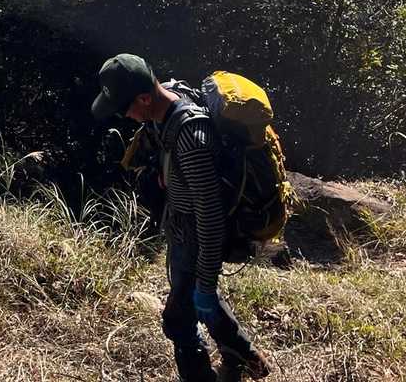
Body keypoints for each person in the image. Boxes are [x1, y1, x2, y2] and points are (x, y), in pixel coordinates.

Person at [92, 53, 272, 382]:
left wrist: (206, 281)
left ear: (145, 98)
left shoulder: (192, 138)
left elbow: (210, 217)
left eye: (124, 108)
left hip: (196, 237)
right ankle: (246, 357)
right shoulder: (166, 104)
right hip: (180, 228)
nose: (125, 115)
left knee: (178, 321)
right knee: (197, 302)